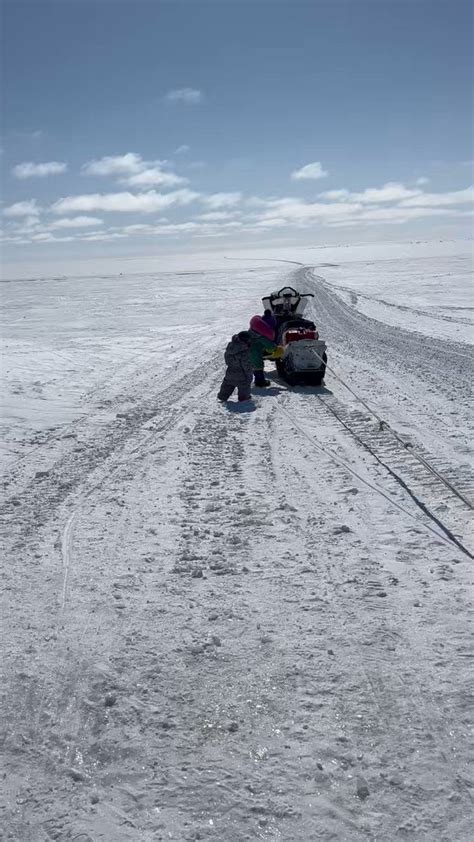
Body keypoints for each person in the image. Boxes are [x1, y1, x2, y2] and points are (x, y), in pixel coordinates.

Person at [217, 331, 253, 402]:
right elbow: (246, 366)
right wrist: (249, 375)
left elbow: (227, 361)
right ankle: (244, 398)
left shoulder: (230, 348)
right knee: (244, 386)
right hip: (242, 376)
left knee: (227, 385)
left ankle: (222, 396)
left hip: (230, 372)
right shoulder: (245, 352)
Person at [248, 314, 283, 387]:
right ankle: (260, 382)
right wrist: (276, 348)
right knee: (258, 366)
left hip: (246, 351)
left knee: (249, 366)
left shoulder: (252, 330)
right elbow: (270, 347)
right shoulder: (262, 337)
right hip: (255, 353)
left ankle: (246, 380)